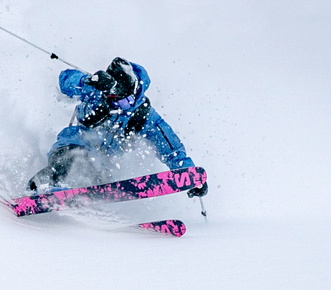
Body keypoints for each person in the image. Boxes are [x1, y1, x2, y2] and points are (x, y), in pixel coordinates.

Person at [27, 56, 207, 195]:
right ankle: (43, 186)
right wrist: (86, 81)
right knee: (72, 159)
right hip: (74, 144)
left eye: (126, 101)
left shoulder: (143, 115)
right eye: (113, 100)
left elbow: (171, 149)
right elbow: (65, 80)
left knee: (97, 174)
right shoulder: (95, 91)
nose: (119, 106)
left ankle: (84, 201)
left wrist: (188, 174)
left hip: (102, 162)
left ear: (134, 92)